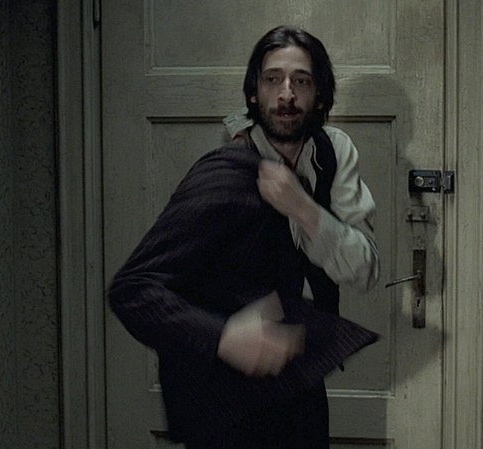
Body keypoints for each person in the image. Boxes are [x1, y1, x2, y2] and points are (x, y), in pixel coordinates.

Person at [109, 25, 380, 449]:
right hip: (228, 402)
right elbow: (132, 289)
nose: (286, 94)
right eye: (272, 79)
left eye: (301, 81)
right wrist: (223, 337)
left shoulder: (332, 153)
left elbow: (365, 270)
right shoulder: (225, 173)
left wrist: (303, 208)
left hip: (298, 381)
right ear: (254, 93)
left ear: (320, 96)